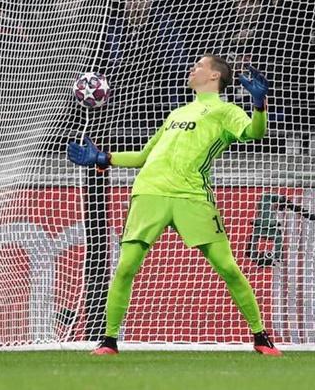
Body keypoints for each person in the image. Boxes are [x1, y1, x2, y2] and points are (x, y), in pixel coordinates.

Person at [67, 55, 282, 357]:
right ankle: (109, 341)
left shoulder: (225, 111)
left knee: (227, 267)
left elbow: (255, 133)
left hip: (191, 197)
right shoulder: (177, 113)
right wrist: (103, 158)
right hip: (150, 192)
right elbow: (144, 156)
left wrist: (259, 106)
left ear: (214, 77)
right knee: (126, 266)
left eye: (199, 66)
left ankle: (261, 337)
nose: (192, 69)